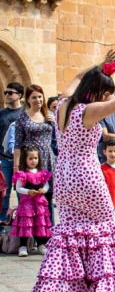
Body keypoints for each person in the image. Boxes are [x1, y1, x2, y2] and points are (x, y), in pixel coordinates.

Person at [28, 59, 115, 292]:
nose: (106, 98)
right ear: (96, 91)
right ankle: (111, 288)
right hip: (87, 175)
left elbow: (78, 75)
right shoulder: (87, 111)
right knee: (106, 228)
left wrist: (100, 65)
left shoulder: (62, 104)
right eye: (104, 93)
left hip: (64, 177)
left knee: (69, 234)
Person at [13, 84, 56, 225]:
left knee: (46, 197)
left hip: (47, 159)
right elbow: (18, 144)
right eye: (34, 97)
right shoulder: (22, 118)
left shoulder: (49, 116)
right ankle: (28, 237)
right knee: (28, 199)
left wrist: (56, 124)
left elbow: (61, 138)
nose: (38, 99)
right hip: (30, 160)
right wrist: (16, 166)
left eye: (40, 96)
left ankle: (49, 234)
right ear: (28, 100)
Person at [12, 146, 51, 256]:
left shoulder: (42, 173)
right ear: (25, 159)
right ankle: (23, 246)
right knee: (26, 224)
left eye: (35, 158)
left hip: (39, 203)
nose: (33, 161)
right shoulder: (22, 174)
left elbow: (46, 185)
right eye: (30, 158)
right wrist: (28, 192)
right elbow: (18, 188)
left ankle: (41, 245)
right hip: (27, 203)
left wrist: (44, 190)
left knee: (40, 223)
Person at [0, 81, 24, 222]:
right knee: (4, 193)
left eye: (10, 93)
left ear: (19, 95)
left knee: (22, 194)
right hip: (4, 160)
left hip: (22, 161)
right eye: (5, 93)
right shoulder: (1, 114)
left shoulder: (25, 114)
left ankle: (23, 224)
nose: (7, 95)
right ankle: (2, 223)